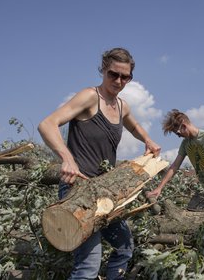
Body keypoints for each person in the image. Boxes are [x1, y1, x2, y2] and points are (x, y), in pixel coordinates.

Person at [38, 47, 161, 279]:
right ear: (103, 70)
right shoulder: (90, 97)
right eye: (113, 74)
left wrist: (148, 140)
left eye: (125, 77)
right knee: (88, 266)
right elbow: (47, 124)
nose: (118, 80)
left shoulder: (123, 106)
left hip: (106, 193)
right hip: (80, 190)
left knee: (124, 247)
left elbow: (133, 125)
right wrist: (67, 159)